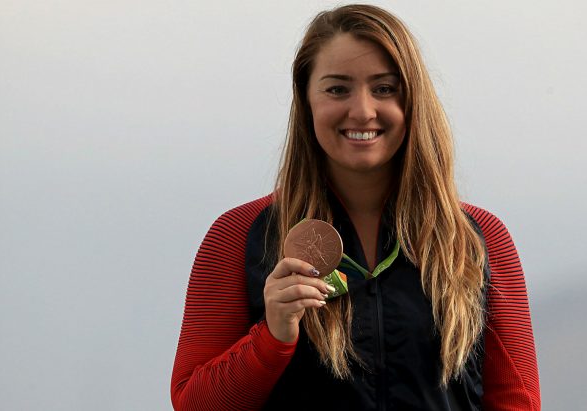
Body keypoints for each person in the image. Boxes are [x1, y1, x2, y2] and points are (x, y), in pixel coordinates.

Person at [170, 4, 540, 410]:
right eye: (337, 89)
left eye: (384, 88)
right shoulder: (239, 235)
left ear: (413, 99)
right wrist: (272, 336)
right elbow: (194, 404)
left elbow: (517, 401)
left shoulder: (476, 238)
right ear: (306, 99)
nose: (363, 110)